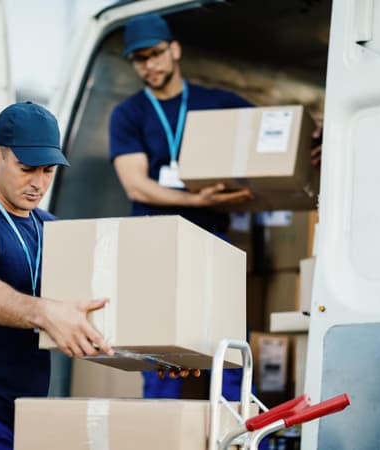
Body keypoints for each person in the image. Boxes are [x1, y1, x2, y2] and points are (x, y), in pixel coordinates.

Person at [108, 14, 321, 402]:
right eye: (139, 59)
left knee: (227, 348)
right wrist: (196, 200)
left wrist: (311, 139)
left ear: (175, 49)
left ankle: (240, 434)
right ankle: (161, 436)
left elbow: (272, 138)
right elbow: (135, 184)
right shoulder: (129, 113)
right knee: (162, 352)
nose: (149, 65)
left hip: (210, 239)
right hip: (156, 241)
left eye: (155, 54)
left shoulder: (218, 103)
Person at [0, 101, 113, 450]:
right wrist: (45, 312)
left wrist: (158, 356)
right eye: (27, 168)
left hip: (28, 416)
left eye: (48, 171)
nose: (38, 184)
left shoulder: (53, 229)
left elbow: (99, 306)